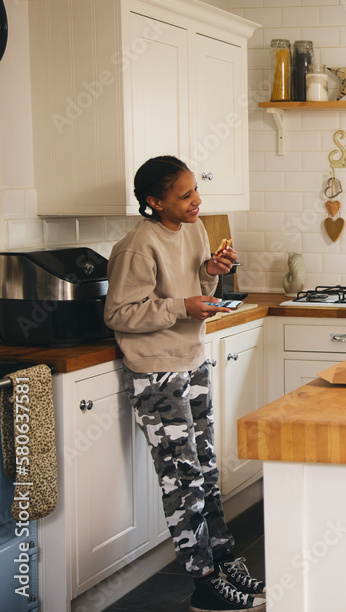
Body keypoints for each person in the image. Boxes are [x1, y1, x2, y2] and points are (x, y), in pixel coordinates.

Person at [104, 156, 266, 612]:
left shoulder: (194, 229)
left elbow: (196, 288)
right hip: (156, 373)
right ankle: (203, 584)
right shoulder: (137, 246)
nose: (197, 201)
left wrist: (212, 271)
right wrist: (181, 307)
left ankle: (223, 559)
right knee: (183, 481)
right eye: (185, 195)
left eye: (196, 191)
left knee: (206, 471)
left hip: (191, 361)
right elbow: (118, 313)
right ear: (155, 202)